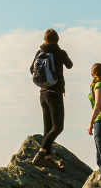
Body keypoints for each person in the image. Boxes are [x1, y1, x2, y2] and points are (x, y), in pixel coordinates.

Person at [30, 28, 73, 170]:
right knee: (58, 126)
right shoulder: (60, 52)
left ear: (45, 39)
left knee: (48, 128)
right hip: (55, 92)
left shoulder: (40, 52)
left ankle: (48, 159)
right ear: (57, 40)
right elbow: (70, 65)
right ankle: (41, 154)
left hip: (42, 93)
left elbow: (31, 69)